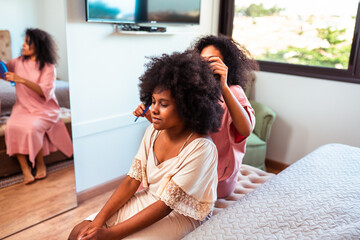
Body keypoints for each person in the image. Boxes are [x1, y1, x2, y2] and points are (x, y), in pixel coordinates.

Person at [69, 51, 224, 240]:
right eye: (153, 101)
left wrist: (109, 234)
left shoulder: (202, 149)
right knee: (79, 232)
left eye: (164, 104)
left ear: (187, 106)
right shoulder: (153, 131)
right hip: (151, 199)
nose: (154, 110)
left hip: (182, 213)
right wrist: (97, 223)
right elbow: (131, 181)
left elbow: (165, 206)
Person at [134, 35, 259, 198]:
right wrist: (152, 116)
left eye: (212, 61)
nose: (206, 66)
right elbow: (178, 133)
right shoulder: (192, 92)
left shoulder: (233, 91)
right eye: (202, 61)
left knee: (157, 192)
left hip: (215, 178)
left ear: (226, 66)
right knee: (144, 186)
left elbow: (246, 129)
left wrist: (224, 86)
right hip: (188, 166)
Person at [0, 28, 73, 184]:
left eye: (27, 42)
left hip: (45, 110)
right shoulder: (19, 61)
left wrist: (20, 79)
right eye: (24, 42)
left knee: (32, 128)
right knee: (12, 126)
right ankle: (25, 169)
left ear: (38, 46)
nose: (23, 45)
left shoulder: (48, 67)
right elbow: (4, 71)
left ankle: (40, 164)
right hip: (23, 107)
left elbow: (43, 91)